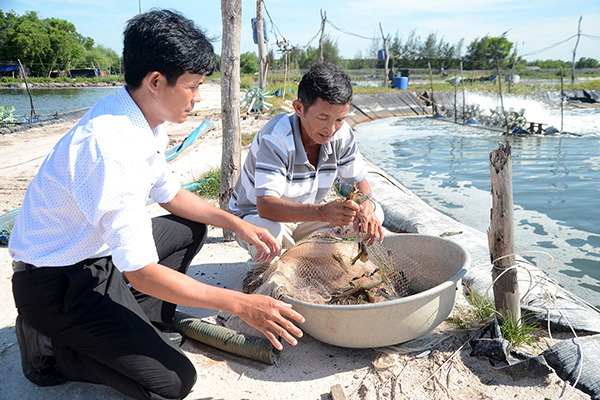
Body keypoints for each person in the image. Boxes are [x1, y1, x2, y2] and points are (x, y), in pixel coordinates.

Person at [9, 9, 303, 400]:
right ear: (155, 81)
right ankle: (49, 347)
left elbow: (171, 194)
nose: (198, 98)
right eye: (193, 86)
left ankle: (140, 319)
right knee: (173, 381)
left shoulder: (144, 117)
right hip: (55, 283)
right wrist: (242, 304)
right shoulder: (111, 148)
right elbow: (143, 274)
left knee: (190, 226)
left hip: (99, 257)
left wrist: (235, 223)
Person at [229, 61, 385, 270]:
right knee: (270, 232)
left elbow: (360, 183)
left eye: (339, 119)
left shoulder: (343, 133)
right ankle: (263, 269)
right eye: (323, 118)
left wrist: (365, 205)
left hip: (306, 215)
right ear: (299, 108)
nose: (331, 129)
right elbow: (265, 206)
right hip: (256, 217)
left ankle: (310, 255)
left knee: (376, 214)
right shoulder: (276, 138)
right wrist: (322, 212)